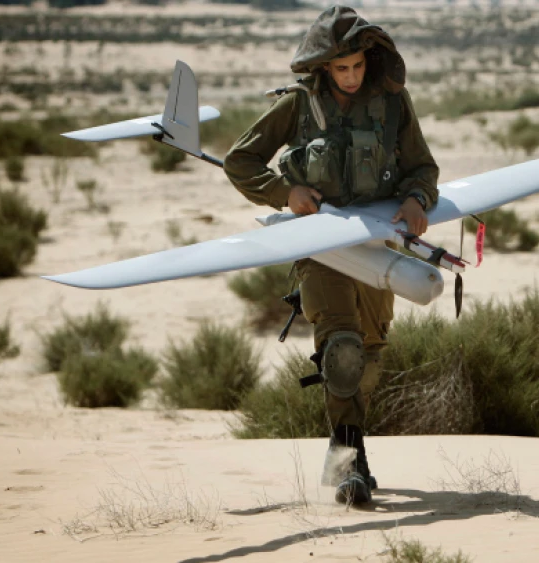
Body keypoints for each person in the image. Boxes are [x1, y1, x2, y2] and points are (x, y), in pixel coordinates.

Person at [223, 5, 439, 505]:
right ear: (323, 66)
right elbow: (241, 161)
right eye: (340, 69)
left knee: (368, 356)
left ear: (369, 59)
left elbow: (422, 166)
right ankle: (351, 467)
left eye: (358, 66)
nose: (350, 77)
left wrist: (416, 199)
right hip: (321, 250)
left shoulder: (392, 102)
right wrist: (284, 194)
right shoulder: (298, 105)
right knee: (341, 350)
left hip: (374, 247)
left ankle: (343, 451)